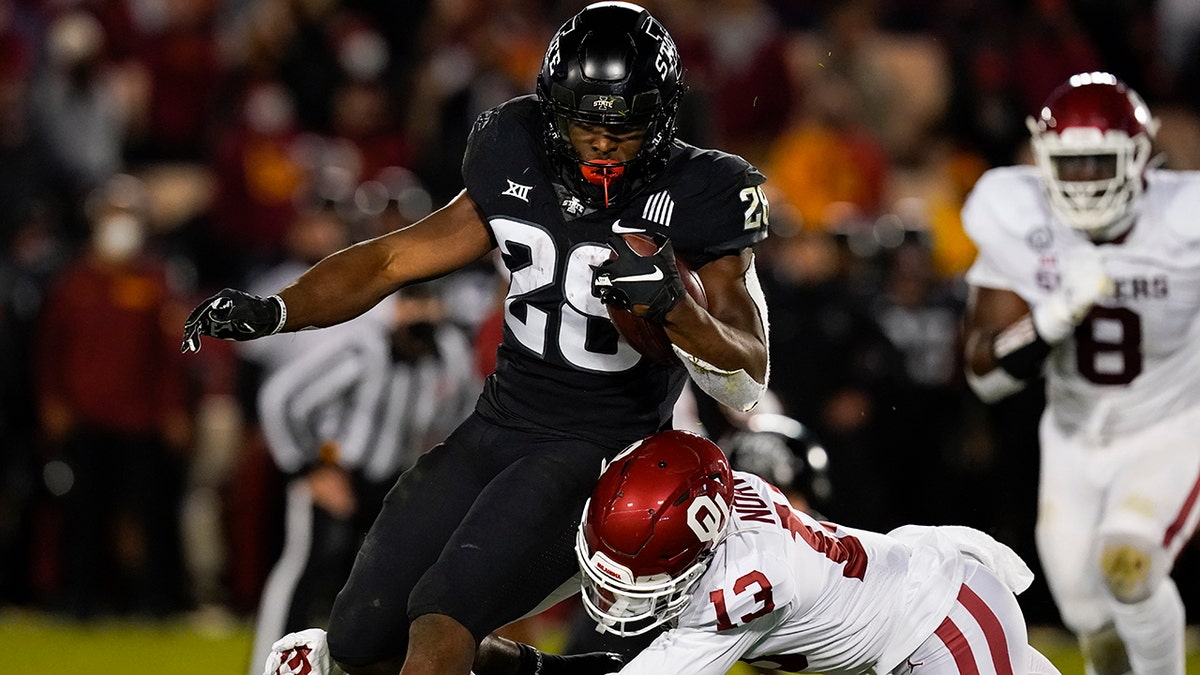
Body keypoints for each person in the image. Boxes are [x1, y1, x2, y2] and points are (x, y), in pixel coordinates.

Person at [181, 3, 771, 675]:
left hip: (596, 447)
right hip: (495, 425)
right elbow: (392, 259)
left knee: (442, 619)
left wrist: (675, 309)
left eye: (623, 128)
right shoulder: (513, 143)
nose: (602, 145)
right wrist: (277, 309)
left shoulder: (707, 188)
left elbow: (747, 374)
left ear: (661, 119)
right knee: (360, 642)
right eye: (584, 124)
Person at [961, 71, 1199, 675]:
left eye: (1099, 162)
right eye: (1070, 164)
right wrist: (1050, 319)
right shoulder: (1018, 219)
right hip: (1072, 436)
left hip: (1171, 424)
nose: (1086, 180)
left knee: (1130, 566)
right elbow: (985, 376)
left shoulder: (1184, 218)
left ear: (1138, 158)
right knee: (1088, 615)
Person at [575, 429, 1061, 675]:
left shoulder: (747, 583)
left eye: (645, 575)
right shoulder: (724, 500)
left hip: (943, 623)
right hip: (940, 610)